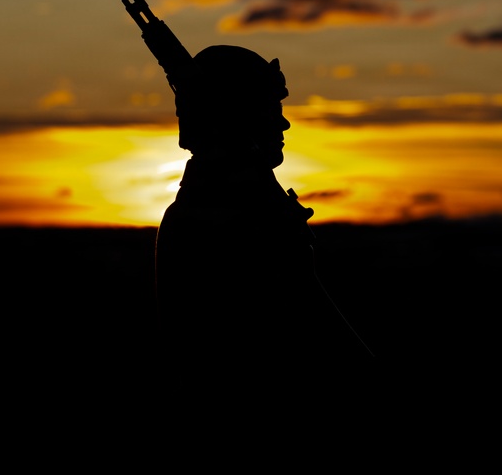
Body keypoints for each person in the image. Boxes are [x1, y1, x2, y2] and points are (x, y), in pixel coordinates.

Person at [155, 45, 370, 364]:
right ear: (235, 114)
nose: (284, 124)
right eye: (270, 108)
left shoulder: (241, 203)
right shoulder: (225, 219)